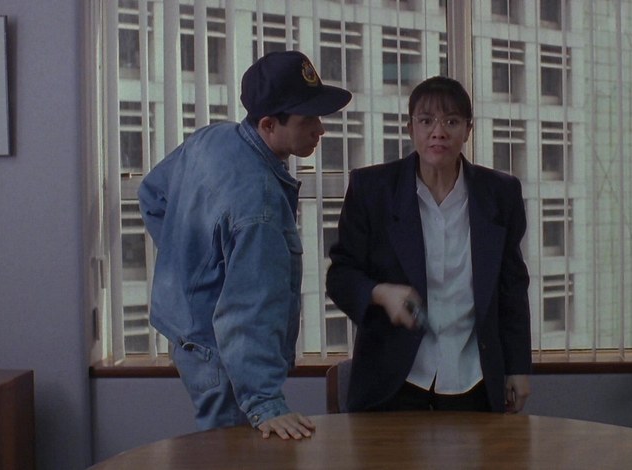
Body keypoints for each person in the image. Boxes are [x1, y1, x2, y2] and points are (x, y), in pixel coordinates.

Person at [138, 50, 351, 439]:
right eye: (307, 120)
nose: (320, 129)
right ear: (269, 124)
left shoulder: (214, 138)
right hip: (223, 359)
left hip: (188, 337)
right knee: (233, 456)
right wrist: (264, 402)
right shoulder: (260, 204)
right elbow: (250, 310)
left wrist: (190, 263)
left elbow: (152, 194)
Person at [326, 76, 531, 413]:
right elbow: (341, 276)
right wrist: (381, 293)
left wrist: (518, 366)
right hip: (394, 376)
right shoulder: (373, 189)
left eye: (451, 121)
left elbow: (512, 286)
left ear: (468, 130)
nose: (438, 132)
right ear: (411, 129)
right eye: (426, 121)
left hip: (473, 375)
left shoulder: (499, 194)